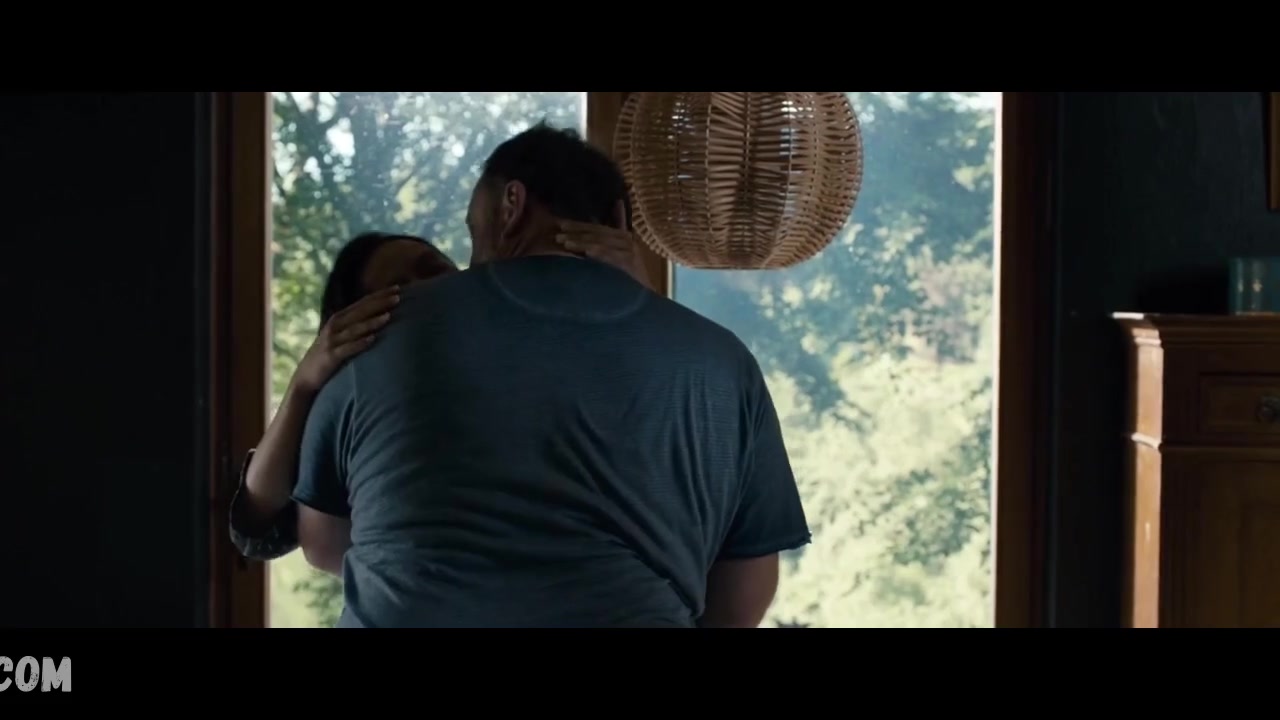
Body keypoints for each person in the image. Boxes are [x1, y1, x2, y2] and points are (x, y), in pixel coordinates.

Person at [290, 122, 811, 628]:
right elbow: (743, 598)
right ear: (617, 219)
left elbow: (323, 541)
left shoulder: (376, 332)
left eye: (474, 232)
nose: (470, 263)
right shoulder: (722, 362)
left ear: (511, 206)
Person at [228, 229, 645, 560]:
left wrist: (638, 303)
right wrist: (304, 384)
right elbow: (258, 528)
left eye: (435, 270)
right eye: (399, 290)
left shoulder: (532, 355)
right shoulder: (364, 412)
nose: (428, 291)